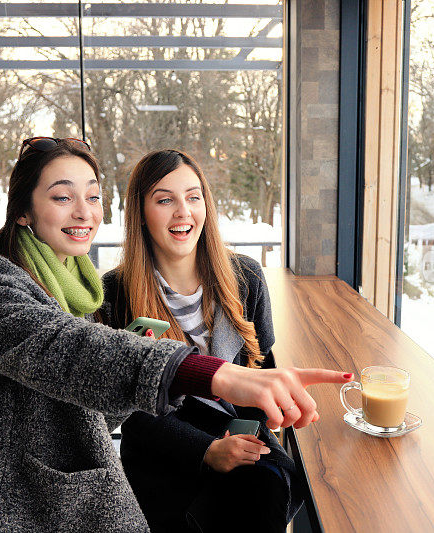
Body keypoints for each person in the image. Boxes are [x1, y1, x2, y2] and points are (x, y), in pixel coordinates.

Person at [0, 138, 352, 533]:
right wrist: (209, 376)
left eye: (93, 197)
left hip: (50, 492)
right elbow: (65, 350)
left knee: (265, 485)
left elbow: (95, 405)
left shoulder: (77, 292)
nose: (84, 212)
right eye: (62, 198)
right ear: (22, 210)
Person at [100, 149, 299, 532]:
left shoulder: (246, 278)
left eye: (193, 197)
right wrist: (206, 451)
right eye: (165, 200)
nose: (183, 212)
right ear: (140, 212)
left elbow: (260, 370)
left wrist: (244, 436)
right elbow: (130, 412)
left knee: (266, 483)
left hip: (237, 432)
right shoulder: (115, 293)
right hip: (164, 448)